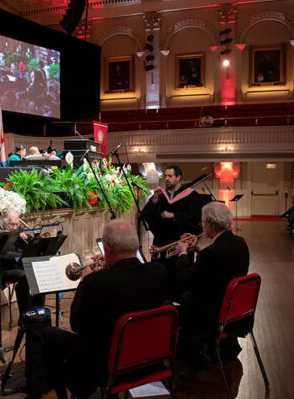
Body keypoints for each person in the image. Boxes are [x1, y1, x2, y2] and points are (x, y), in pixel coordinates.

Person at [43, 220, 169, 399]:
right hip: (151, 360)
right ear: (135, 245)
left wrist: (83, 283)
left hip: (109, 366)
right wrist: (109, 267)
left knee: (50, 334)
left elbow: (76, 324)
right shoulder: (159, 271)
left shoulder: (95, 283)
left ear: (107, 250)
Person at [174, 202, 249, 374]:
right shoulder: (239, 242)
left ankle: (188, 352)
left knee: (179, 299)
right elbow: (217, 267)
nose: (202, 225)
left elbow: (187, 279)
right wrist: (197, 250)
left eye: (203, 222)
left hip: (212, 310)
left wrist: (183, 252)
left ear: (211, 224)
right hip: (235, 306)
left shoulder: (212, 253)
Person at [141, 165, 202, 295]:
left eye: (170, 176)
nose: (167, 179)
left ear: (178, 178)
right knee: (161, 279)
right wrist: (155, 199)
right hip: (162, 244)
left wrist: (174, 216)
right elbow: (147, 215)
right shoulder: (162, 195)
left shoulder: (191, 195)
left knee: (180, 280)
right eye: (166, 176)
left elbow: (195, 220)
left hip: (180, 244)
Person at [0, 209, 46, 314]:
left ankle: (38, 310)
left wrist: (28, 237)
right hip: (3, 269)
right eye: (11, 224)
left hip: (18, 265)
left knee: (39, 271)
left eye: (16, 225)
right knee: (24, 276)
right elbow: (1, 255)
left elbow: (29, 245)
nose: (14, 228)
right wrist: (20, 256)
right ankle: (26, 315)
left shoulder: (17, 230)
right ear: (3, 223)